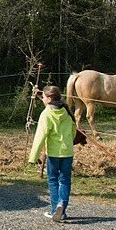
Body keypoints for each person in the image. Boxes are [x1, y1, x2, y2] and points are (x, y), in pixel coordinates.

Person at [28, 85, 77, 222]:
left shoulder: (47, 113)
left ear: (49, 98)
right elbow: (74, 129)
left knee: (53, 180)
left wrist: (33, 157)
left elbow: (40, 136)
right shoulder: (66, 111)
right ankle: (63, 206)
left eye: (43, 97)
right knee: (65, 180)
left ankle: (56, 209)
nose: (42, 99)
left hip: (54, 153)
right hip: (67, 152)